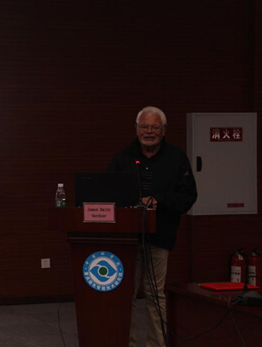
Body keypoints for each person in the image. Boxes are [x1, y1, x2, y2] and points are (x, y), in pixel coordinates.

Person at [107, 106, 197, 347]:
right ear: (136, 129)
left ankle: (157, 344)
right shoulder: (123, 158)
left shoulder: (177, 158)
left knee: (155, 294)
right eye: (144, 127)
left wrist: (160, 201)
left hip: (160, 237)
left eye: (154, 127)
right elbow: (108, 192)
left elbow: (189, 196)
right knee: (126, 294)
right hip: (127, 239)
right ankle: (128, 343)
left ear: (164, 130)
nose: (149, 131)